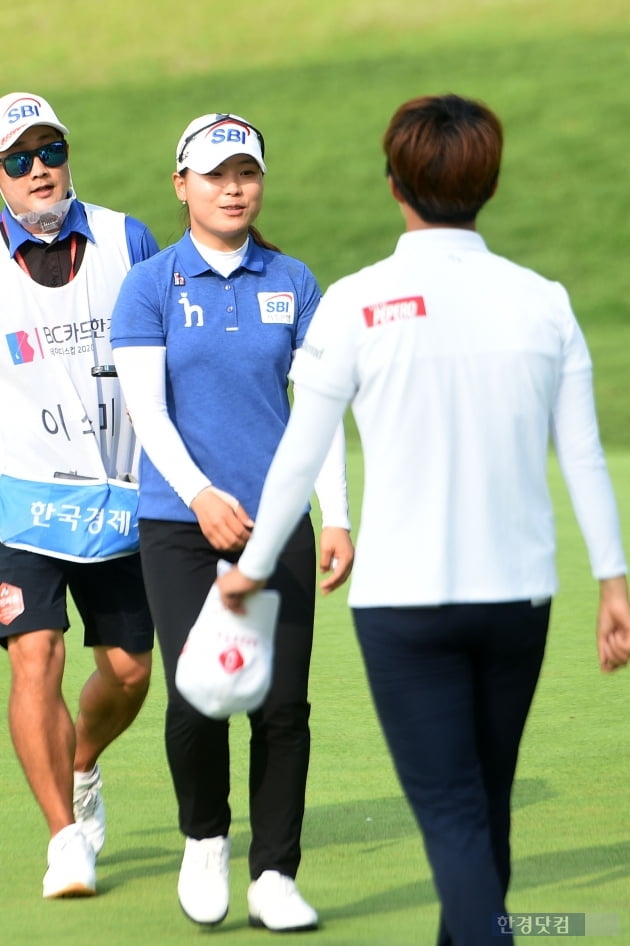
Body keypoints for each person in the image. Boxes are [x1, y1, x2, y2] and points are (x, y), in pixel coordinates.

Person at [215, 93, 630, 945]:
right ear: (491, 181)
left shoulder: (357, 303)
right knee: (484, 812)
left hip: (404, 608)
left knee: (454, 817)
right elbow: (583, 455)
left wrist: (251, 569)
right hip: (520, 599)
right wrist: (613, 578)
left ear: (394, 182)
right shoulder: (543, 300)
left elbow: (299, 453)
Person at [109, 111, 354, 931]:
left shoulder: (295, 280)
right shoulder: (151, 285)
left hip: (278, 522)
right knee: (198, 692)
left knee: (283, 703)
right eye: (215, 175)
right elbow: (146, 408)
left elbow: (318, 412)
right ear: (182, 186)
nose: (233, 187)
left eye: (245, 172)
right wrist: (203, 495)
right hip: (180, 522)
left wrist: (336, 515)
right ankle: (205, 837)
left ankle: (275, 874)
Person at [0, 92, 159, 900]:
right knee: (37, 654)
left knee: (130, 671)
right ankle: (65, 839)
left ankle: (82, 763)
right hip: (19, 499)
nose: (38, 170)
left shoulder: (129, 239)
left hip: (120, 494)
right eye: (17, 159)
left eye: (48, 150)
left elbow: (168, 359)